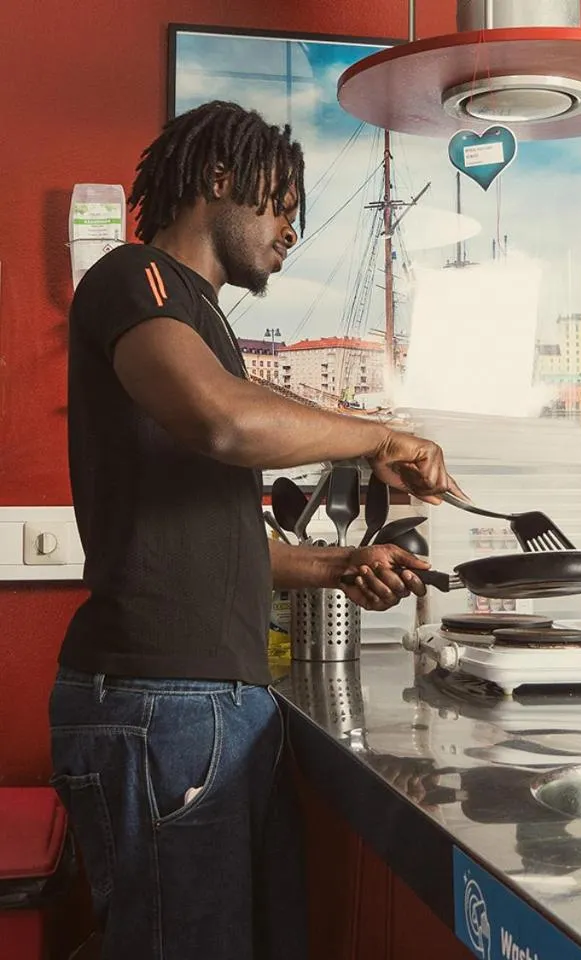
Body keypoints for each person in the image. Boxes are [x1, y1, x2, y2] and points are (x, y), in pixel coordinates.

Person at [48, 100, 459, 960]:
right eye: (281, 206)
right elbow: (225, 422)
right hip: (162, 703)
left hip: (207, 704)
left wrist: (341, 564)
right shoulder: (135, 278)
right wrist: (383, 436)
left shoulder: (203, 328)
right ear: (219, 178)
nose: (291, 232)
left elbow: (218, 544)